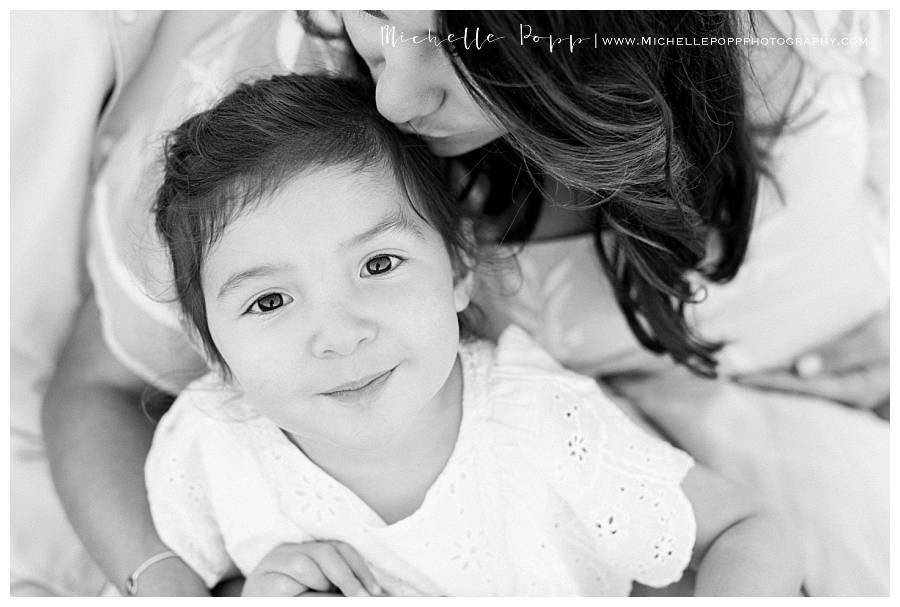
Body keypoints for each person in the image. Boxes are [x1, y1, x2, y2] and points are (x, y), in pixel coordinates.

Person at [38, 10, 887, 596]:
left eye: (468, 44)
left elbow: (750, 533)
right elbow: (100, 393)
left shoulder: (540, 428)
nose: (395, 98)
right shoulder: (277, 133)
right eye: (374, 12)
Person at [144, 72, 801, 597]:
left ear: (459, 266)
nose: (339, 336)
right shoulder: (209, 446)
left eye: (378, 265)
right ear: (210, 346)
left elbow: (751, 531)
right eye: (269, 300)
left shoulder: (542, 427)